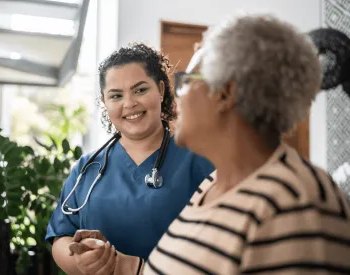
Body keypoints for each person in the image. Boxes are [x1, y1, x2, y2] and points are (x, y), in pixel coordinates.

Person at [142, 14, 350, 274]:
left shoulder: (295, 204)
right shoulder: (210, 186)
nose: (176, 96)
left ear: (224, 94)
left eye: (186, 82)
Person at [45, 43, 214, 275]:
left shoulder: (199, 161)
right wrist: (86, 262)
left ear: (161, 90)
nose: (129, 103)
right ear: (105, 102)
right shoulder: (87, 168)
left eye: (140, 90)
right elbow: (61, 237)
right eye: (116, 96)